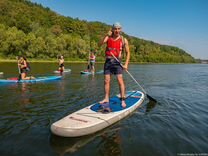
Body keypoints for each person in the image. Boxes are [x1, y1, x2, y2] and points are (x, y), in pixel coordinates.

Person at [99, 22, 130, 108]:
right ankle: (106, 98)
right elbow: (99, 44)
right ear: (112, 29)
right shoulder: (108, 37)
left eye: (118, 29)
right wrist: (106, 35)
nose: (117, 30)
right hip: (108, 61)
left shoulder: (124, 40)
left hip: (117, 62)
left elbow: (128, 53)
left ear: (121, 29)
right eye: (115, 29)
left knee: (120, 80)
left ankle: (123, 99)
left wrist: (126, 64)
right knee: (106, 81)